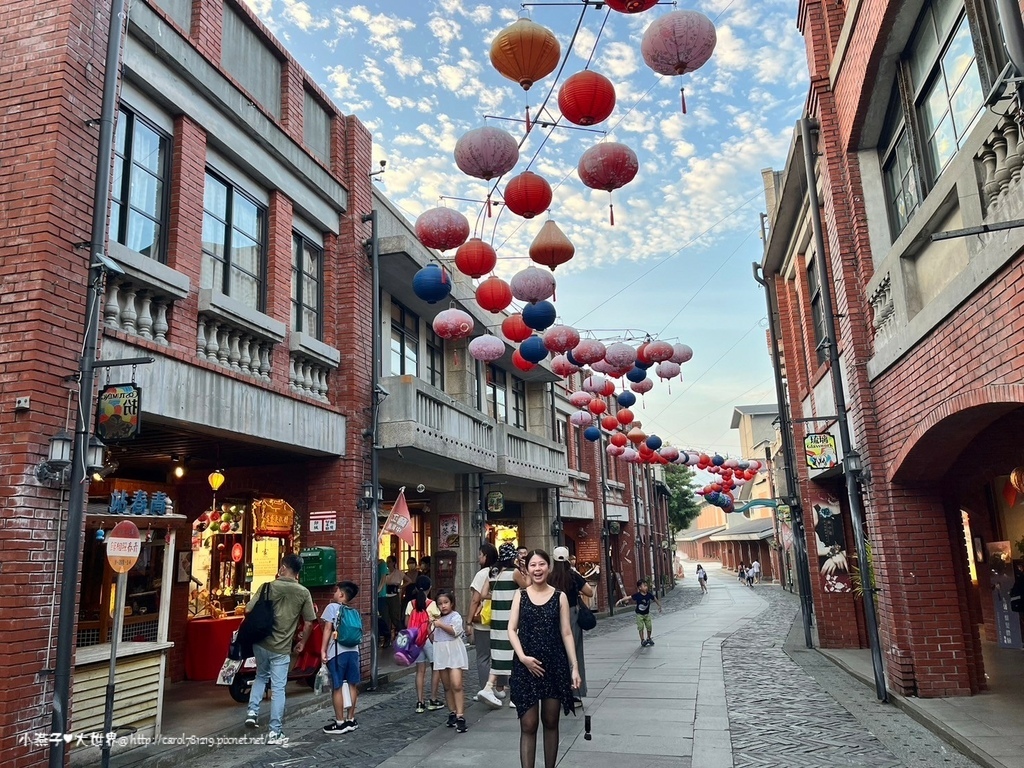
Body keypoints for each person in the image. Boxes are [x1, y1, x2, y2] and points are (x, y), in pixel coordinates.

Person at [508, 549, 580, 768]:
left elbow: (566, 632)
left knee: (551, 721)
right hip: (525, 666)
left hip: (554, 665)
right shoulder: (520, 595)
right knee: (528, 724)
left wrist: (574, 667)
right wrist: (523, 658)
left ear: (548, 568)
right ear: (527, 569)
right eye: (533, 565)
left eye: (541, 565)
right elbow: (511, 629)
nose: (537, 569)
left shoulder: (560, 596)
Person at [244, 554, 316, 745]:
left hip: (261, 643)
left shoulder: (267, 586)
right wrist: (302, 642)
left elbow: (248, 609)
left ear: (283, 567)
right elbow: (309, 623)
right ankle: (274, 732)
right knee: (278, 689)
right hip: (282, 648)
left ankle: (252, 711)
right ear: (298, 572)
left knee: (260, 675)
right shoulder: (303, 592)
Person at [477, 542, 529, 708]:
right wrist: (524, 570)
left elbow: (484, 594)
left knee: (498, 653)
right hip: (511, 618)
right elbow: (527, 586)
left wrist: (497, 595)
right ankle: (515, 696)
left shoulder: (492, 572)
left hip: (496, 619)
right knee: (514, 654)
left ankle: (489, 687)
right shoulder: (514, 573)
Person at [549, 546, 593, 701]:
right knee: (574, 652)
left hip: (553, 615)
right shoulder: (573, 575)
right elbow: (590, 591)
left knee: (555, 653)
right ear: (568, 559)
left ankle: (556, 690)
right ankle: (575, 691)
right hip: (572, 614)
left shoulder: (550, 577)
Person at [320, 581, 361, 735]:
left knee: (337, 687)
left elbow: (327, 630)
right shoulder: (353, 611)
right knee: (352, 685)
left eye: (336, 591)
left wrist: (323, 650)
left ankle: (339, 722)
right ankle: (351, 719)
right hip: (354, 651)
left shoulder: (332, 608)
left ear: (341, 594)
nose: (334, 593)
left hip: (337, 652)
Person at [430, 589, 469, 733]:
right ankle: (452, 711)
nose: (443, 606)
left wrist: (439, 625)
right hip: (441, 652)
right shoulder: (436, 619)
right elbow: (433, 638)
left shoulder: (455, 616)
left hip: (454, 652)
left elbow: (455, 631)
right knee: (446, 686)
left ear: (451, 603)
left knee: (456, 684)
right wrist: (430, 627)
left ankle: (460, 715)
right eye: (440, 604)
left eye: (446, 602)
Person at [405, 575, 443, 713]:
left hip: (415, 641)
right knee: (435, 668)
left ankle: (420, 702)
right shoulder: (432, 604)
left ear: (416, 588)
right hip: (429, 639)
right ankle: (433, 699)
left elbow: (406, 624)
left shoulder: (411, 604)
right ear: (430, 588)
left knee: (419, 671)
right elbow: (438, 623)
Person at [467, 542, 499, 695]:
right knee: (499, 655)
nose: (478, 557)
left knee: (483, 657)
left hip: (483, 622)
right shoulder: (501, 571)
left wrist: (468, 621)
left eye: (480, 555)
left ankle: (487, 689)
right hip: (499, 620)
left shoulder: (482, 574)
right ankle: (500, 688)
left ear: (485, 556)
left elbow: (475, 600)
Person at [616, 579, 662, 647]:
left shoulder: (649, 594)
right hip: (639, 615)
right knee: (640, 627)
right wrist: (620, 600)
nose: (646, 587)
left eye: (646, 586)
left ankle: (649, 638)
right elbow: (628, 597)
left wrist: (659, 605)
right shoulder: (637, 595)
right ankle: (642, 640)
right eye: (644, 586)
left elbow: (654, 598)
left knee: (649, 626)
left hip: (647, 614)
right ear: (640, 588)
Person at [383, 555, 406, 644]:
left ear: (393, 563)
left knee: (395, 617)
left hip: (394, 596)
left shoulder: (398, 573)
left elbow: (409, 580)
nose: (388, 563)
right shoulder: (385, 572)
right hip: (385, 595)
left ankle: (403, 636)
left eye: (389, 561)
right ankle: (387, 638)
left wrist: (400, 587)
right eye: (387, 562)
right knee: (386, 617)